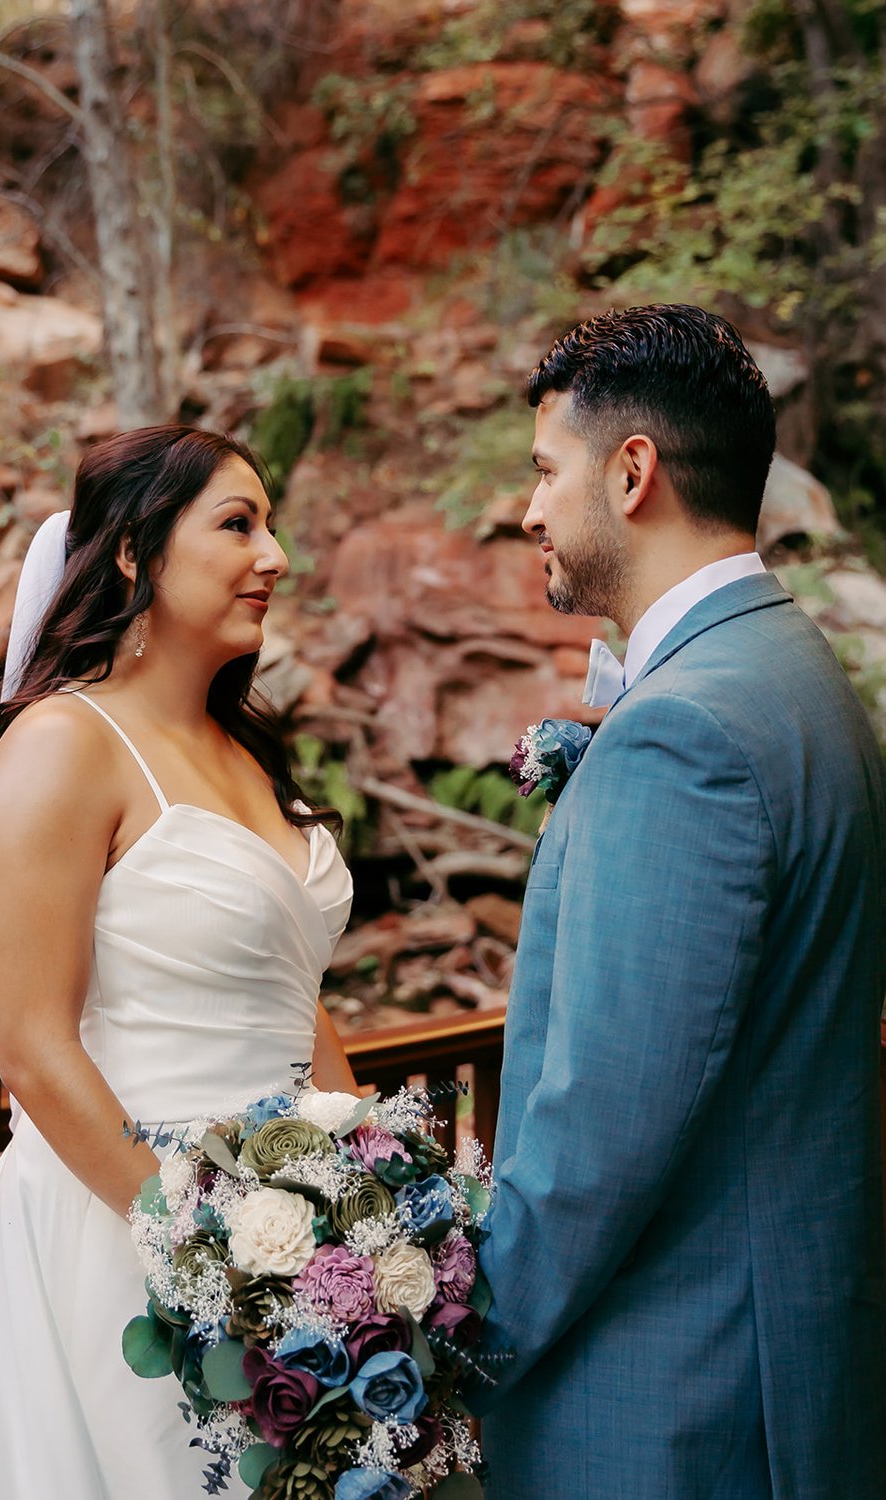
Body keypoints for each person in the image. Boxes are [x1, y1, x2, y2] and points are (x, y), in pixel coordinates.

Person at [475, 305, 886, 1498]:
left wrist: (456, 1342)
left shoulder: (681, 731)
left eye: (547, 471)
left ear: (633, 471)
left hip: (667, 1399)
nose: (530, 509)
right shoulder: (797, 672)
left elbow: (601, 1133)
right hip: (783, 1360)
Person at [0, 425, 356, 1500]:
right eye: (237, 524)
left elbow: (297, 1004)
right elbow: (36, 1050)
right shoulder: (62, 745)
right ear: (131, 553)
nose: (275, 555)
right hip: (125, 1228)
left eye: (273, 525)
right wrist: (203, 1254)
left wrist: (363, 1209)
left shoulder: (245, 750)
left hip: (288, 1231)